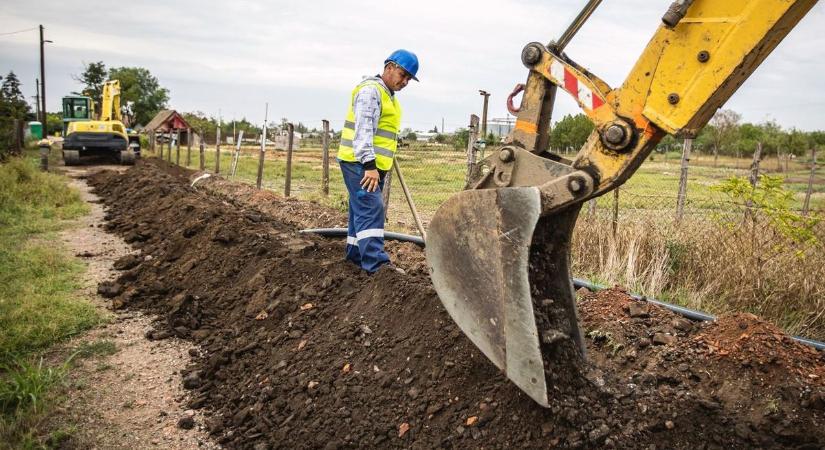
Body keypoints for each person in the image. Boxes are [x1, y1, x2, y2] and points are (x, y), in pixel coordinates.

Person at [337, 49, 419, 273]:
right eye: (403, 75)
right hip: (360, 164)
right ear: (389, 67)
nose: (405, 82)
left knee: (360, 210)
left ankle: (354, 258)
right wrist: (370, 166)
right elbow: (363, 132)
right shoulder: (371, 91)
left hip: (371, 166)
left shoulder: (388, 96)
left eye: (409, 79)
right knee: (371, 209)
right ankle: (377, 266)